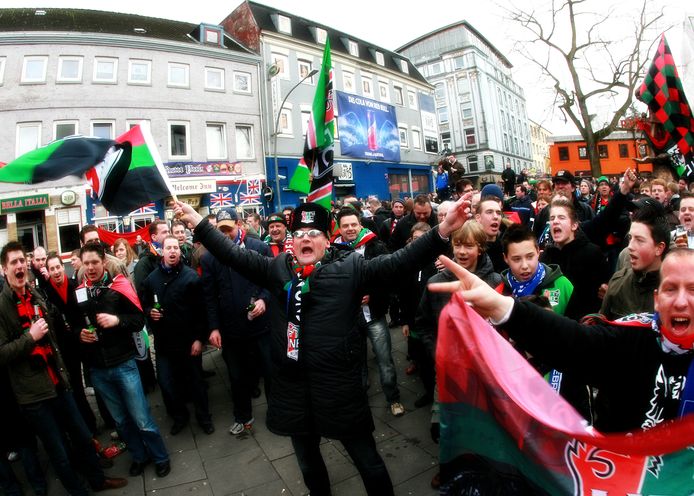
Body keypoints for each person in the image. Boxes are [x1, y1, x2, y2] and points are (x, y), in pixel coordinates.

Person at [174, 196, 469, 496]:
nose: (305, 239)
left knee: (368, 462)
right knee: (309, 466)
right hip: (293, 391)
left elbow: (398, 262)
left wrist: (443, 228)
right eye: (299, 234)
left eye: (313, 234)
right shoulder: (277, 269)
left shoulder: (351, 268)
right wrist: (199, 224)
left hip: (339, 389)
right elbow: (231, 255)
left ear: (328, 242)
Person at [430, 246, 694, 433]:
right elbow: (572, 340)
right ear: (657, 299)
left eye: (692, 289)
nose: (681, 301)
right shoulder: (631, 337)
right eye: (671, 289)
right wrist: (502, 307)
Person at [0, 241, 127, 494]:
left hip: (58, 382)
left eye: (22, 261)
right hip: (34, 396)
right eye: (13, 262)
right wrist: (30, 337)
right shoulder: (1, 306)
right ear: (4, 269)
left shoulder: (36, 294)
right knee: (58, 450)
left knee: (81, 435)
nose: (20, 266)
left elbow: (57, 331)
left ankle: (98, 480)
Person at [77, 243, 170, 479]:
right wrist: (80, 333)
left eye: (94, 262)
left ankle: (160, 457)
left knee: (141, 417)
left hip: (124, 364)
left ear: (103, 262)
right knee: (120, 421)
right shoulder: (80, 292)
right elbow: (76, 324)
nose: (90, 267)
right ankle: (140, 456)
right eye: (86, 263)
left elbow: (139, 321)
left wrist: (117, 320)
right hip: (98, 369)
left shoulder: (119, 286)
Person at [200, 208, 272, 435]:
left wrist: (263, 300)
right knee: (237, 376)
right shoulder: (209, 257)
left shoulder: (258, 247)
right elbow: (209, 296)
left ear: (239, 225)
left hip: (261, 326)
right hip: (232, 329)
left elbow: (272, 280)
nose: (225, 235)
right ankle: (243, 416)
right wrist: (213, 327)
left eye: (228, 229)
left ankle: (277, 411)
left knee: (270, 371)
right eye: (220, 231)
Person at [334, 207, 405, 417]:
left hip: (373, 315)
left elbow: (390, 279)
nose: (350, 229)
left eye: (353, 224)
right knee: (357, 363)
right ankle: (360, 400)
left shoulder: (376, 247)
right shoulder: (335, 251)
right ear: (339, 228)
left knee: (385, 360)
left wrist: (372, 295)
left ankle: (393, 398)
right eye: (345, 225)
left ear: (360, 225)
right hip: (350, 318)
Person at [142, 236, 214, 435]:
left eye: (175, 248)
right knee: (166, 383)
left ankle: (204, 417)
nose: (172, 251)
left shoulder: (191, 277)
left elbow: (202, 312)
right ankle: (179, 417)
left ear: (180, 251)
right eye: (168, 248)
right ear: (162, 251)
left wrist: (200, 339)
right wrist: (150, 312)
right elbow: (145, 303)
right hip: (165, 344)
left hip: (189, 342)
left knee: (196, 382)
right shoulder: (151, 279)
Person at [43, 252, 98, 435]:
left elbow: (86, 311)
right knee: (76, 389)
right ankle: (88, 425)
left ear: (62, 267)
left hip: (85, 340)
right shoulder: (46, 295)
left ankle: (109, 419)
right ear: (49, 272)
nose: (56, 271)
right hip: (66, 347)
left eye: (58, 267)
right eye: (52, 269)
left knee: (97, 381)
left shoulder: (75, 286)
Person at [540, 197, 608, 320]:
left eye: (561, 217)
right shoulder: (546, 256)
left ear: (574, 225)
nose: (555, 221)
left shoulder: (593, 254)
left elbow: (602, 295)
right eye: (552, 218)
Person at [600, 207, 669, 320]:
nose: (630, 247)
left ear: (659, 248)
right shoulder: (618, 283)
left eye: (639, 240)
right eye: (630, 238)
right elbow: (602, 329)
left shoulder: (674, 291)